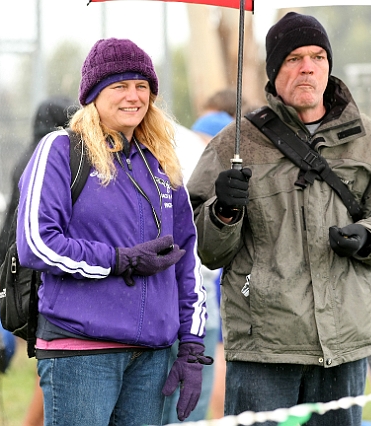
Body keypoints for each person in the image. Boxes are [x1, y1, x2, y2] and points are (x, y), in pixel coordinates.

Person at [187, 12, 371, 426]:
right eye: (295, 58)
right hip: (265, 344)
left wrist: (370, 238)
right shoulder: (236, 143)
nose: (308, 67)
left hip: (343, 341)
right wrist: (222, 212)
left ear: (329, 65)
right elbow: (206, 249)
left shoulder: (369, 140)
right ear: (275, 68)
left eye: (317, 56)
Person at [16, 38, 212, 426]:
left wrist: (190, 344)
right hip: (82, 353)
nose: (133, 96)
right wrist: (117, 260)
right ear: (93, 93)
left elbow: (186, 261)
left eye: (142, 86)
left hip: (153, 358)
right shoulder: (60, 150)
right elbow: (37, 243)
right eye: (119, 85)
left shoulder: (162, 164)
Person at [0, 95, 77, 426]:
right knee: (48, 354)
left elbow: (9, 223)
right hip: (40, 271)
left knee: (42, 353)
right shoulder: (55, 158)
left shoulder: (27, 156)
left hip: (21, 270)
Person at [163, 95, 234, 424]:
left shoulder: (188, 149)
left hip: (197, 296)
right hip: (197, 296)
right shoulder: (190, 152)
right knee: (191, 400)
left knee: (186, 399)